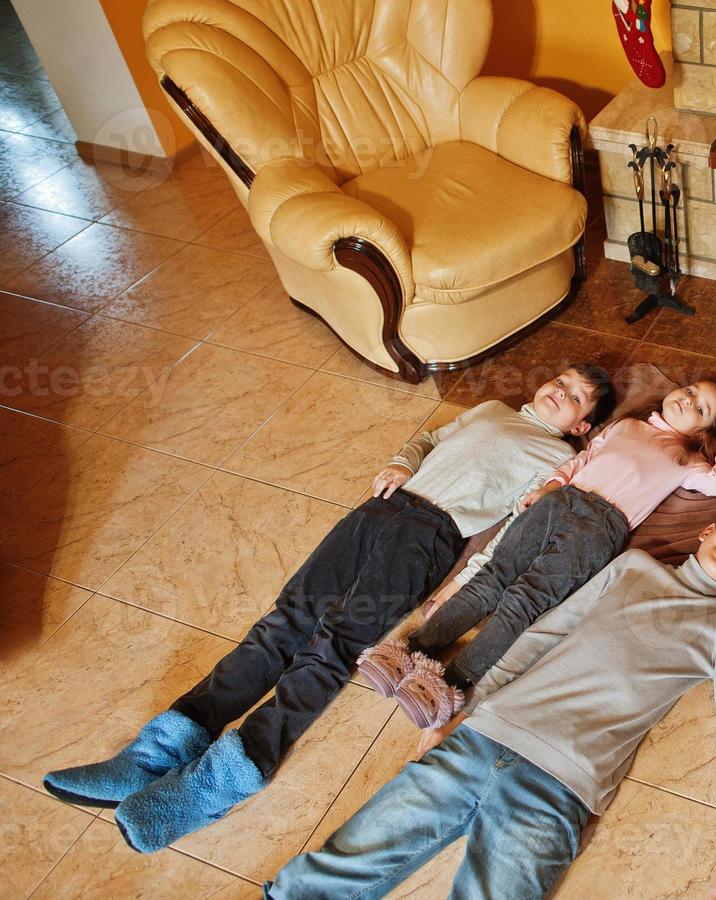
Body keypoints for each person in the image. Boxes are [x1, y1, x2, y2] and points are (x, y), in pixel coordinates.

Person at [42, 366, 616, 854]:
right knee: (283, 622)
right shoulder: (490, 408)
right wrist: (399, 462)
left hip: (430, 538)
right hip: (378, 511)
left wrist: (459, 587)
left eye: (575, 397)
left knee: (335, 642)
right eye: (559, 380)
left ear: (581, 426)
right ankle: (155, 753)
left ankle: (221, 780)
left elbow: (511, 531)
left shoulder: (559, 459)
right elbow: (429, 439)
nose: (558, 391)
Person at [266, 501, 716, 900]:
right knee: (344, 861)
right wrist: (463, 709)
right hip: (484, 735)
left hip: (561, 784)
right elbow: (542, 635)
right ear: (708, 531)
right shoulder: (633, 568)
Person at [360, 379, 716, 730]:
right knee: (493, 576)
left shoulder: (687, 460)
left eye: (700, 409)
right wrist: (552, 486)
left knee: (525, 600)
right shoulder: (626, 426)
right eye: (691, 391)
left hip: (602, 527)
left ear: (703, 431)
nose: (688, 400)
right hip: (561, 499)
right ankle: (414, 649)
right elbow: (582, 459)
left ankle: (451, 682)